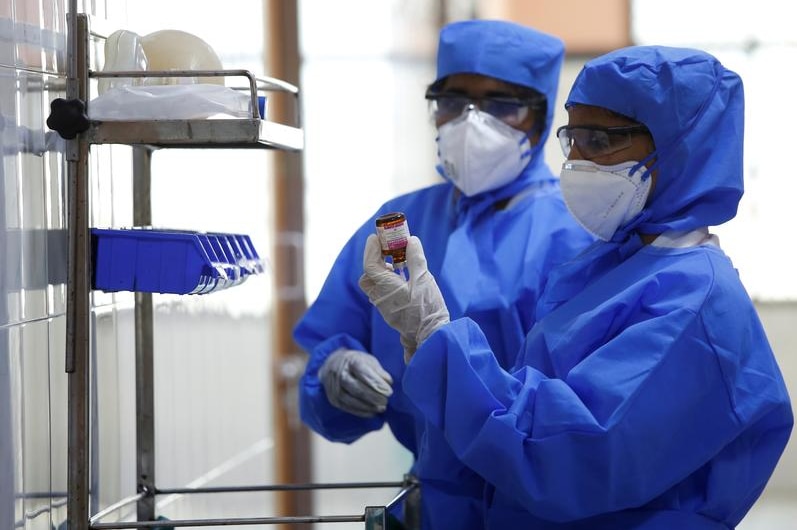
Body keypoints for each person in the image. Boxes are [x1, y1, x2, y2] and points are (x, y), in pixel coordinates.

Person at [360, 45, 794, 528]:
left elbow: (564, 453)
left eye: (601, 142)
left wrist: (435, 335)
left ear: (680, 150)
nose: (578, 162)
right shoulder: (610, 266)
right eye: (574, 140)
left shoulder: (694, 304)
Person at [293, 19, 593, 529]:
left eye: (501, 106)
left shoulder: (584, 232)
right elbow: (329, 353)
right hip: (432, 505)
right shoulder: (397, 225)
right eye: (452, 102)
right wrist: (335, 373)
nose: (471, 123)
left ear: (541, 119)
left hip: (546, 510)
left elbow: (593, 414)